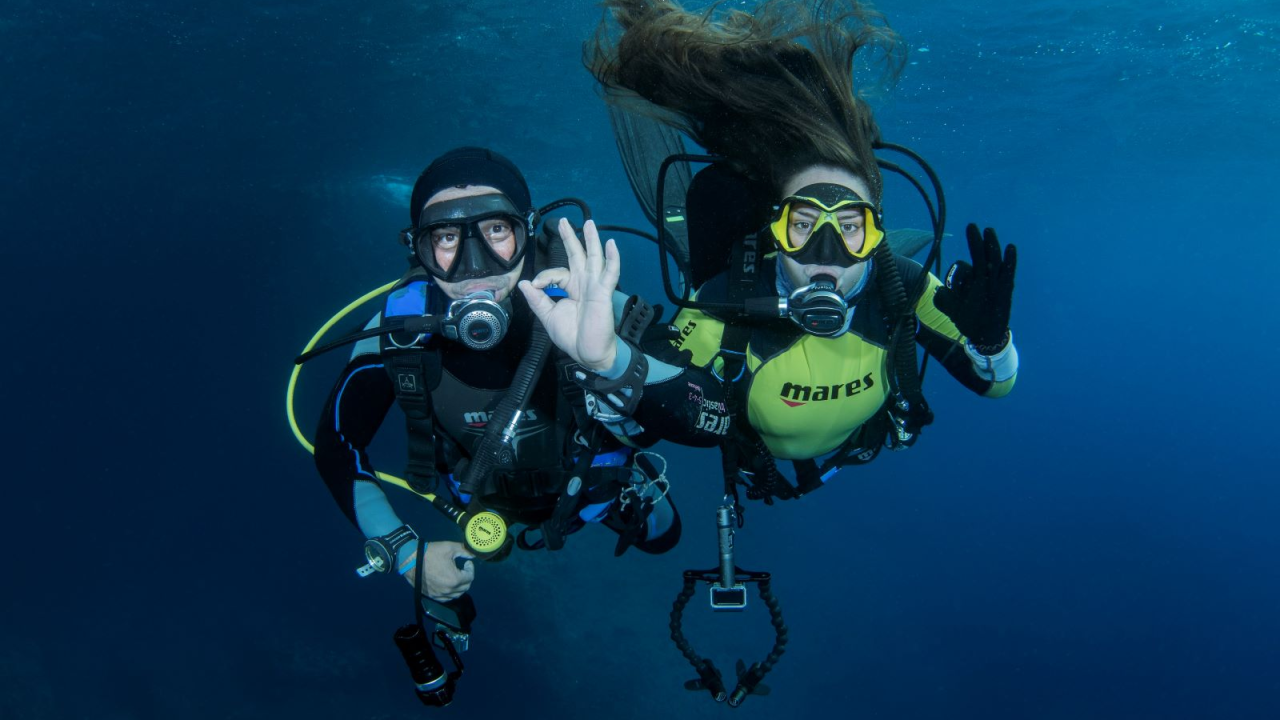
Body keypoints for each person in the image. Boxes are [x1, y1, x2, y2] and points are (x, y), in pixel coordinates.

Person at [539, 0, 1019, 502]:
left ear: (877, 235)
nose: (826, 254)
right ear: (775, 230)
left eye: (851, 228)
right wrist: (613, 363)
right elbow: (658, 414)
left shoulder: (905, 287)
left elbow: (995, 385)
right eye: (804, 225)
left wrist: (992, 345)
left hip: (858, 442)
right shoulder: (728, 300)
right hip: (755, 452)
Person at [311, 147, 727, 605]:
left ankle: (617, 496)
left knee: (665, 538)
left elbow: (715, 417)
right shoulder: (399, 332)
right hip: (481, 503)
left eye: (495, 230)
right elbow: (336, 444)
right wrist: (404, 553)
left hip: (595, 485)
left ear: (526, 230)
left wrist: (611, 357)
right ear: (419, 249)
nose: (474, 266)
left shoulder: (587, 303)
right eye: (447, 237)